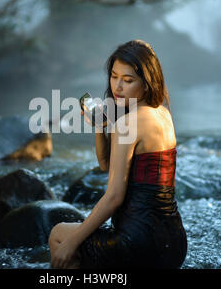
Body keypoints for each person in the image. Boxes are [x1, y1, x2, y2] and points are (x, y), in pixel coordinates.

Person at [48, 39, 187, 269]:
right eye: (114, 76)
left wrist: (71, 243)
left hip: (138, 243)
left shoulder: (128, 124)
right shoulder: (163, 113)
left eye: (128, 80)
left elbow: (113, 197)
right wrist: (100, 127)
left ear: (147, 83)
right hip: (174, 242)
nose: (117, 87)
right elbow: (106, 165)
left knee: (59, 235)